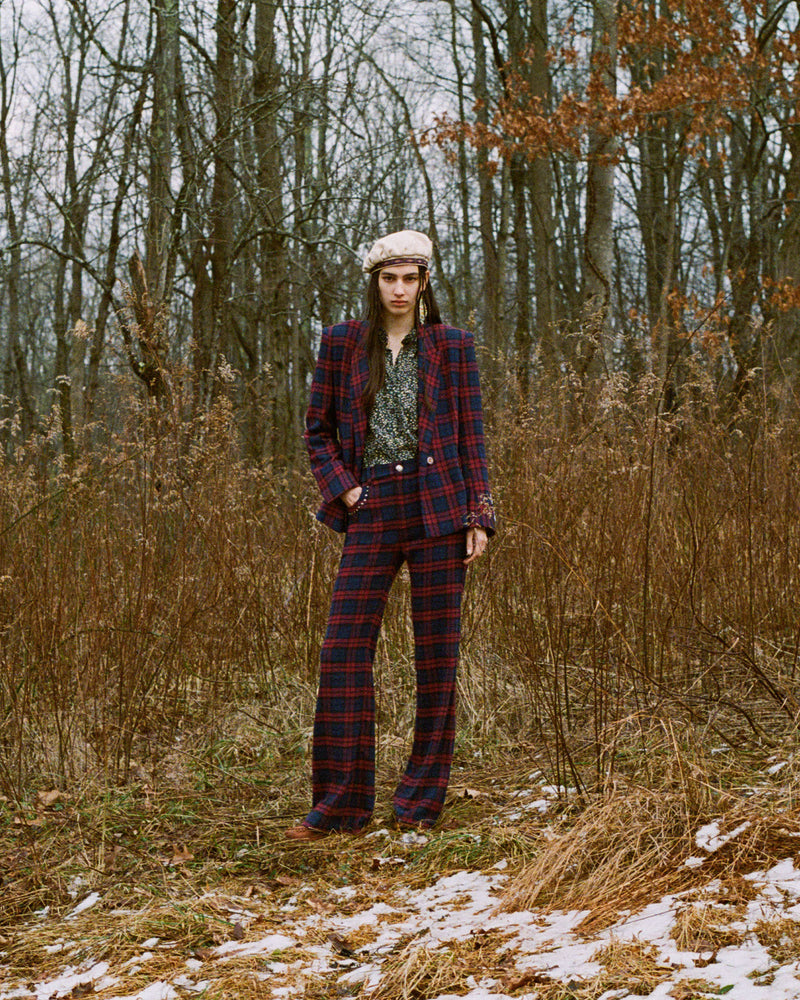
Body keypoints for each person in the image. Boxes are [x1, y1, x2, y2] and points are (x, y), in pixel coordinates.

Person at [285, 230, 495, 842]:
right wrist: (346, 489)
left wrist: (479, 513)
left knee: (437, 657)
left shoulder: (453, 348)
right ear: (374, 281)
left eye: (410, 278)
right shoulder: (344, 343)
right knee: (343, 650)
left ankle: (419, 803)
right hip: (373, 505)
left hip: (440, 510)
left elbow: (471, 435)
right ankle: (339, 805)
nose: (399, 289)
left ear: (425, 281)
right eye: (389, 278)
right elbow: (316, 432)